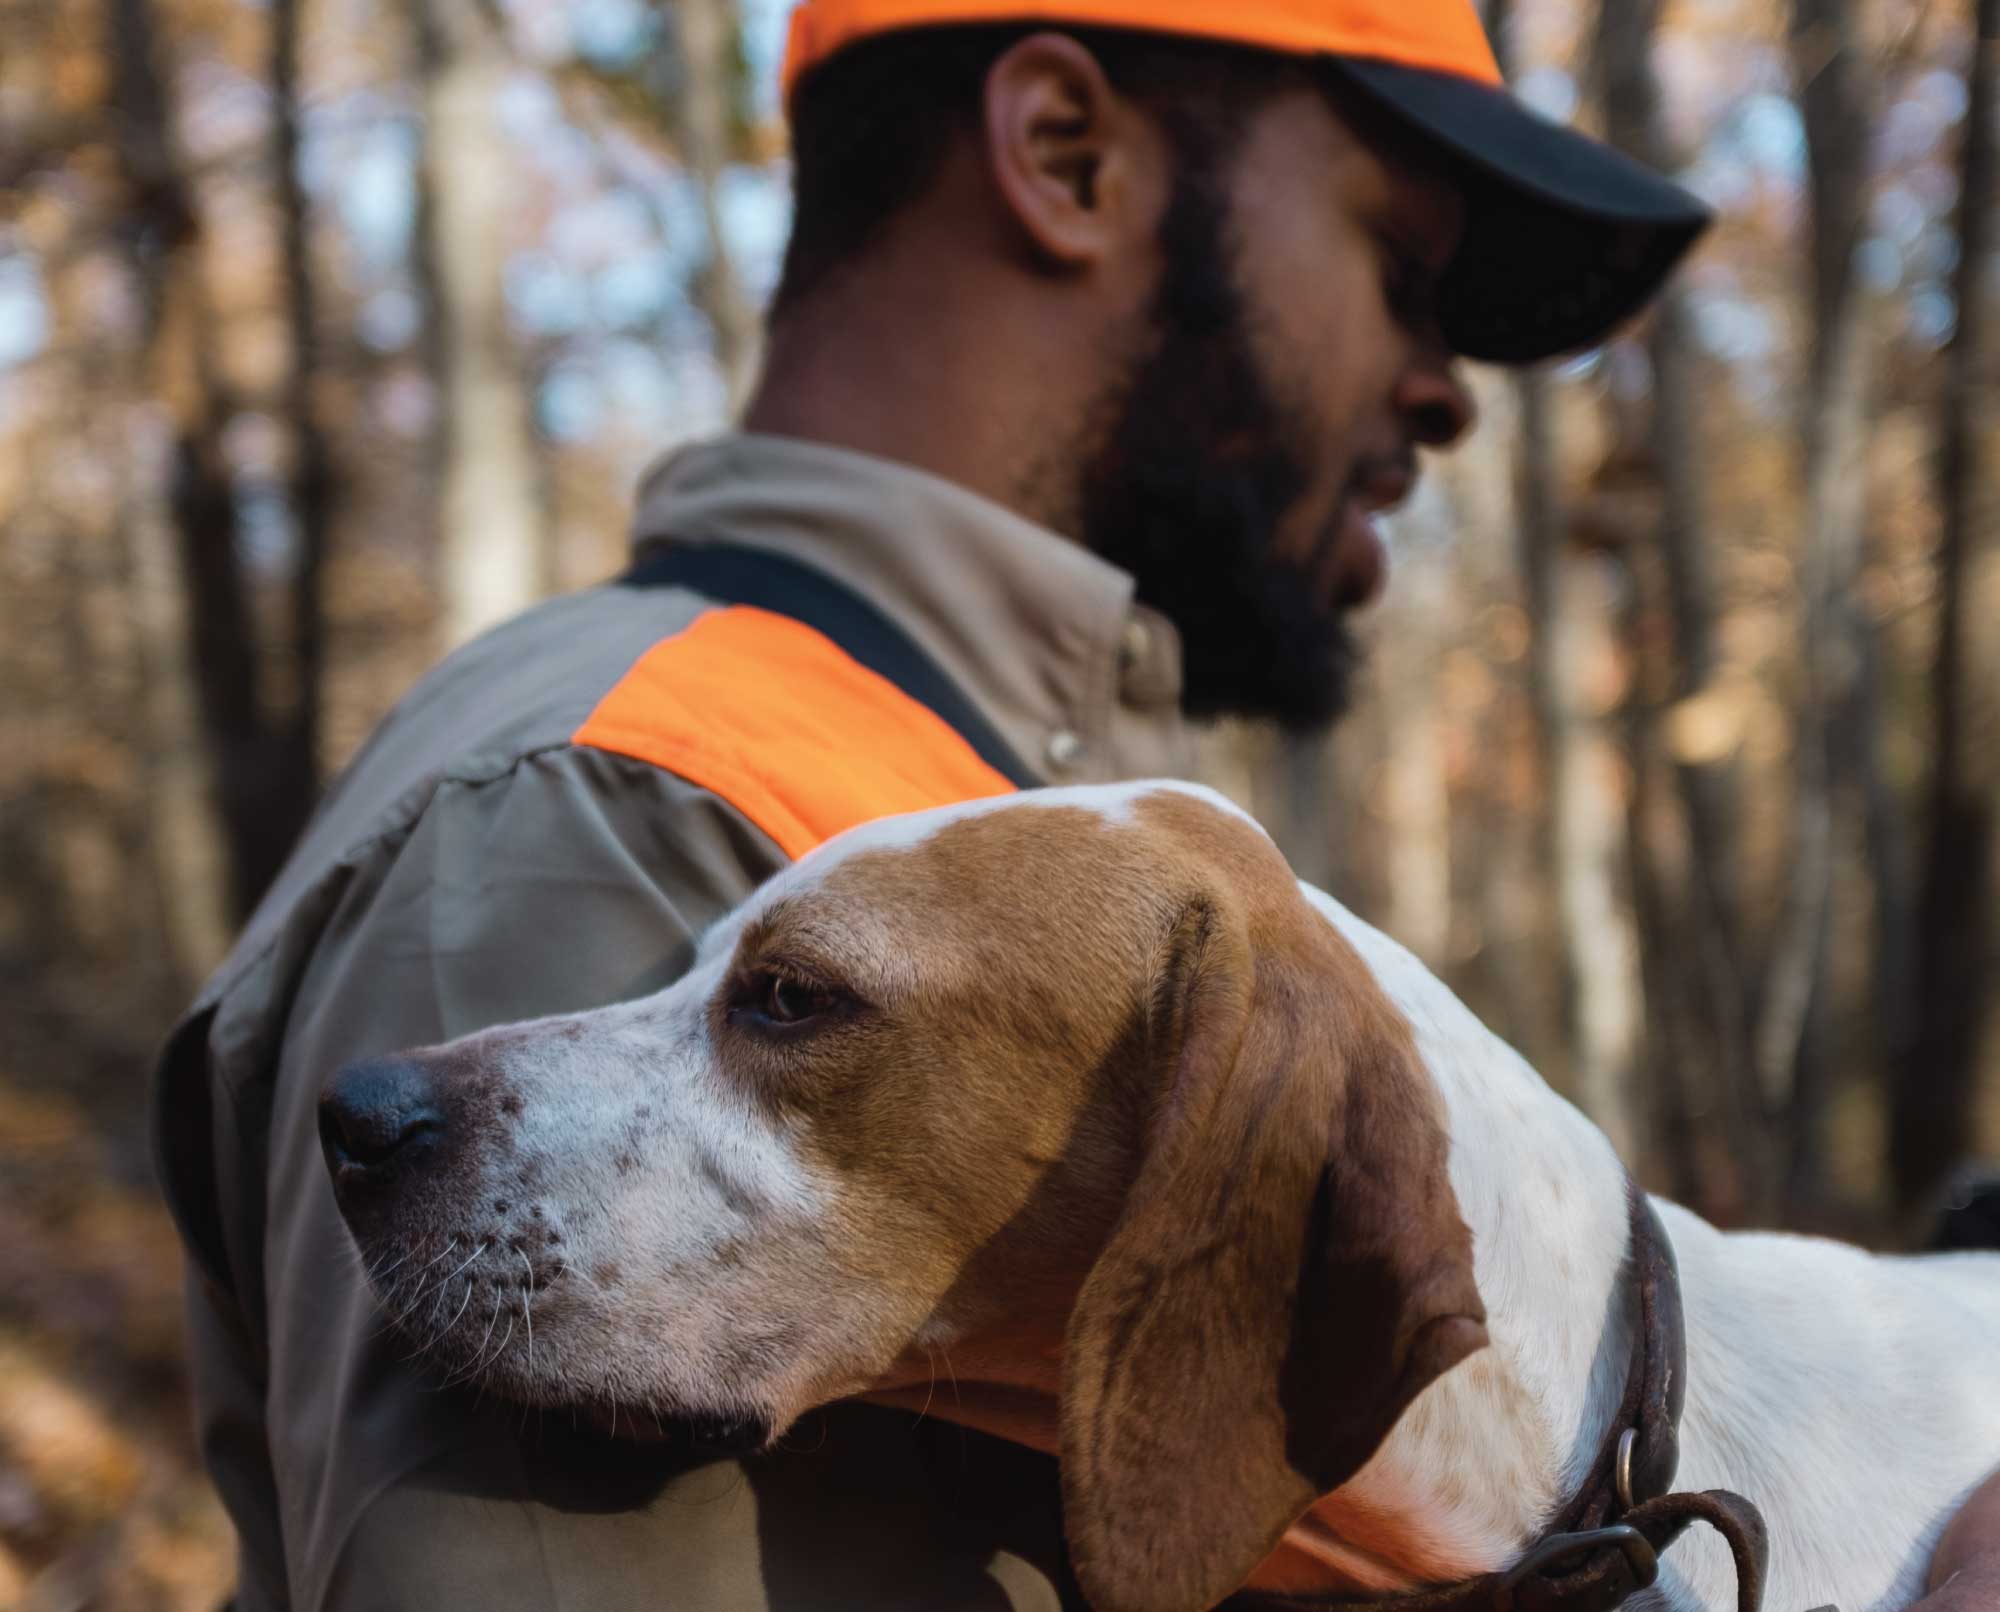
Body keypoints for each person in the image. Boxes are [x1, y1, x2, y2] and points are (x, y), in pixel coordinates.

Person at [149, 0, 1993, 1606]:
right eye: (1397, 262)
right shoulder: (637, 802)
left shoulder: (1013, 829)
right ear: (1062, 151)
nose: (1451, 397)